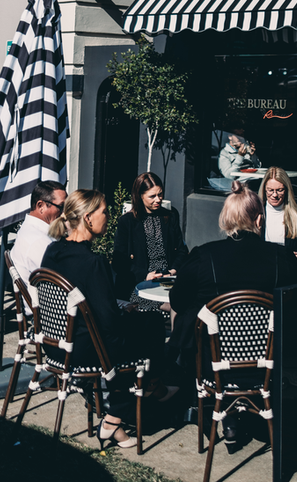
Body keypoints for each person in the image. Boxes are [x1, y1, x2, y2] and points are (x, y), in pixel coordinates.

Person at [169, 181, 297, 445]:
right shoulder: (282, 258)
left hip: (213, 365)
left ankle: (219, 411)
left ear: (226, 220)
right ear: (259, 219)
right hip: (267, 364)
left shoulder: (203, 256)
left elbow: (177, 299)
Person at [42, 189, 177, 450]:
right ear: (89, 218)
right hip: (86, 348)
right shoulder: (93, 262)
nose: (110, 216)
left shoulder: (53, 251)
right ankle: (120, 412)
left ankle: (151, 387)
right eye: (105, 211)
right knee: (150, 324)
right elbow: (109, 325)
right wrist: (128, 313)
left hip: (56, 343)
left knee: (141, 322)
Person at [112, 172, 188, 306]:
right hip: (139, 284)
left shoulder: (170, 216)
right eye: (152, 196)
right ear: (140, 196)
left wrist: (172, 271)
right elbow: (119, 262)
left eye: (160, 194)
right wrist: (145, 276)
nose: (158, 199)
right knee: (173, 306)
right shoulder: (127, 222)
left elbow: (181, 250)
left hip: (168, 279)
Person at [10, 179, 67, 286]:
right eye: (61, 207)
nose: (64, 213)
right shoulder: (40, 242)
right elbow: (64, 279)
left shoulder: (29, 230)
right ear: (41, 206)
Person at [259, 166, 297, 265]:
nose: (274, 195)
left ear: (286, 190)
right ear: (264, 189)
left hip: (287, 270)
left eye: (279, 190)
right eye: (270, 190)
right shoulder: (255, 214)